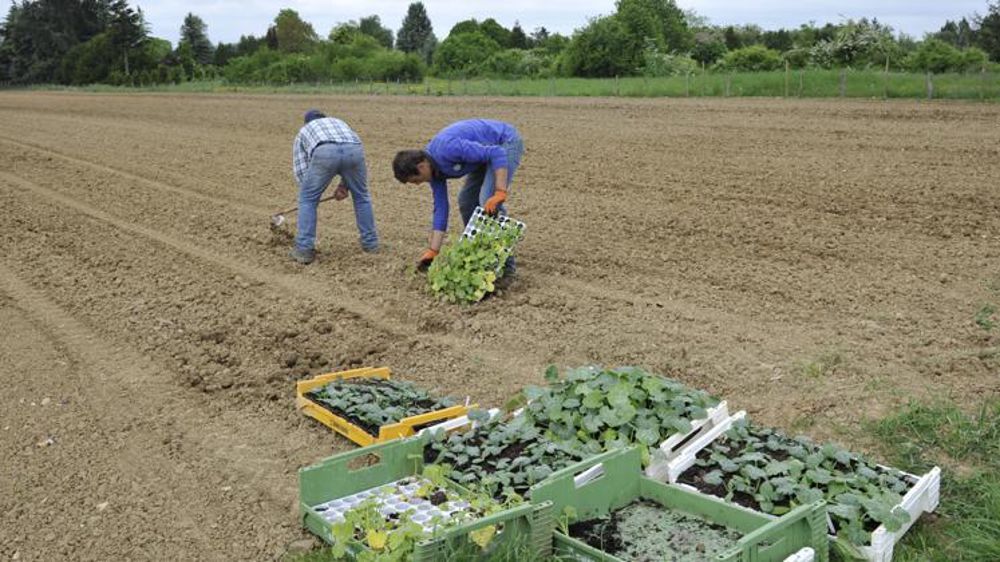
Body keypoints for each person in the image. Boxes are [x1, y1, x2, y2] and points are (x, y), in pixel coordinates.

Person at [392, 118, 524, 276]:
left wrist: (500, 191)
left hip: (504, 142)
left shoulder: (447, 150)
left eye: (415, 180)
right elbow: (441, 209)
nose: (418, 184)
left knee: (488, 200)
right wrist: (433, 250)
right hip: (484, 154)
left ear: (421, 166)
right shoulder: (433, 171)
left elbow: (496, 153)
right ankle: (482, 252)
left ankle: (507, 268)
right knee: (466, 202)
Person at [289, 109, 378, 264]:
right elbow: (351, 147)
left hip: (324, 151)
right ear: (325, 118)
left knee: (307, 200)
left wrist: (310, 193)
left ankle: (304, 249)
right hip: (354, 149)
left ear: (307, 122)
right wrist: (345, 185)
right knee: (362, 197)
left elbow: (301, 169)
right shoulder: (339, 122)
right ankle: (371, 244)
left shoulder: (304, 131)